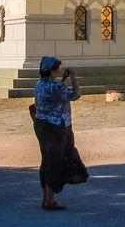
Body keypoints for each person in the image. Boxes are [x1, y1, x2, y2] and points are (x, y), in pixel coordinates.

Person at [31, 56, 87, 211]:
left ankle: (45, 197)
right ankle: (50, 201)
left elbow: (54, 93)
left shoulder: (39, 84)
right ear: (52, 70)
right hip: (54, 126)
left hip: (40, 124)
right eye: (57, 68)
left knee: (46, 159)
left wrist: (62, 80)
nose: (59, 70)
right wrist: (74, 78)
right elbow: (75, 94)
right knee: (55, 161)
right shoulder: (56, 87)